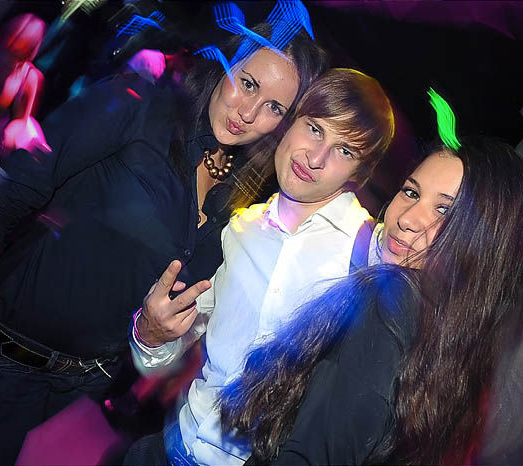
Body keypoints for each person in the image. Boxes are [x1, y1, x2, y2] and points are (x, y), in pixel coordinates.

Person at [0, 21, 327, 465]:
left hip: (83, 377)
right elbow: (6, 197)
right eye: (247, 83)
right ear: (225, 61)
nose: (249, 113)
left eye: (273, 107)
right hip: (6, 356)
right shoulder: (142, 104)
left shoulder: (234, 185)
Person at [128, 67, 396, 465]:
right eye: (315, 129)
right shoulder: (240, 229)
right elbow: (177, 342)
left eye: (344, 151)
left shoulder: (369, 255)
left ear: (360, 172)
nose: (315, 158)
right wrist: (149, 335)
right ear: (291, 124)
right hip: (171, 444)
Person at [220, 136, 523, 465]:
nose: (407, 218)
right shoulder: (457, 351)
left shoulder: (390, 299)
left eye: (444, 210)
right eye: (411, 192)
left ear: (482, 241)